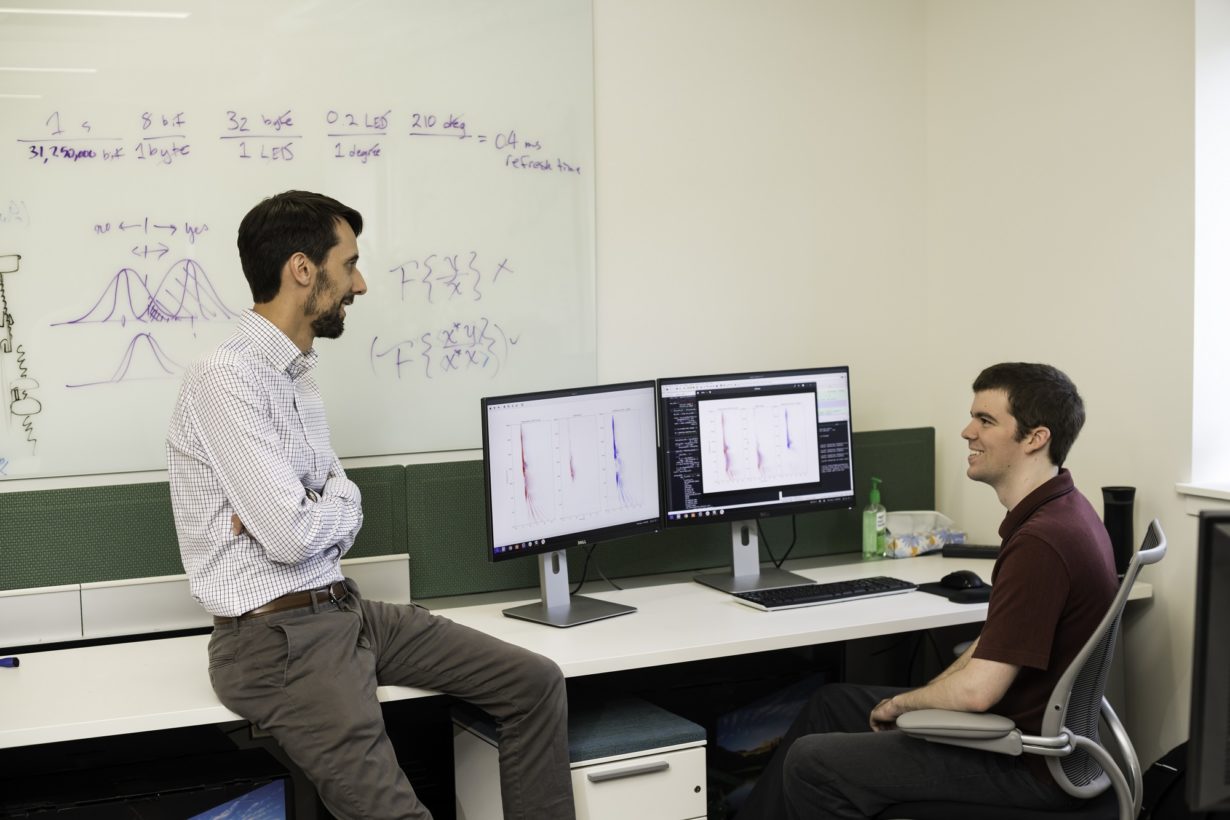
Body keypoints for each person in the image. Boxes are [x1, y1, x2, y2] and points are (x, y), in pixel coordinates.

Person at [166, 190, 576, 820]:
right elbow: (294, 538)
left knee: (533, 682)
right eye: (348, 263)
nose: (359, 283)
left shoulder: (297, 375)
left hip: (341, 607)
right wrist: (307, 510)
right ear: (303, 269)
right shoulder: (226, 377)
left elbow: (334, 507)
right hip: (275, 641)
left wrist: (312, 506)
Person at [736, 362, 1118, 819]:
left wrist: (900, 705)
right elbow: (991, 646)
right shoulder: (1065, 510)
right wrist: (925, 695)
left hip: (1022, 762)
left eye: (986, 421)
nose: (966, 431)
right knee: (831, 703)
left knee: (811, 762)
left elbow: (978, 692)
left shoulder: (1041, 542)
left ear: (1035, 438)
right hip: (1029, 736)